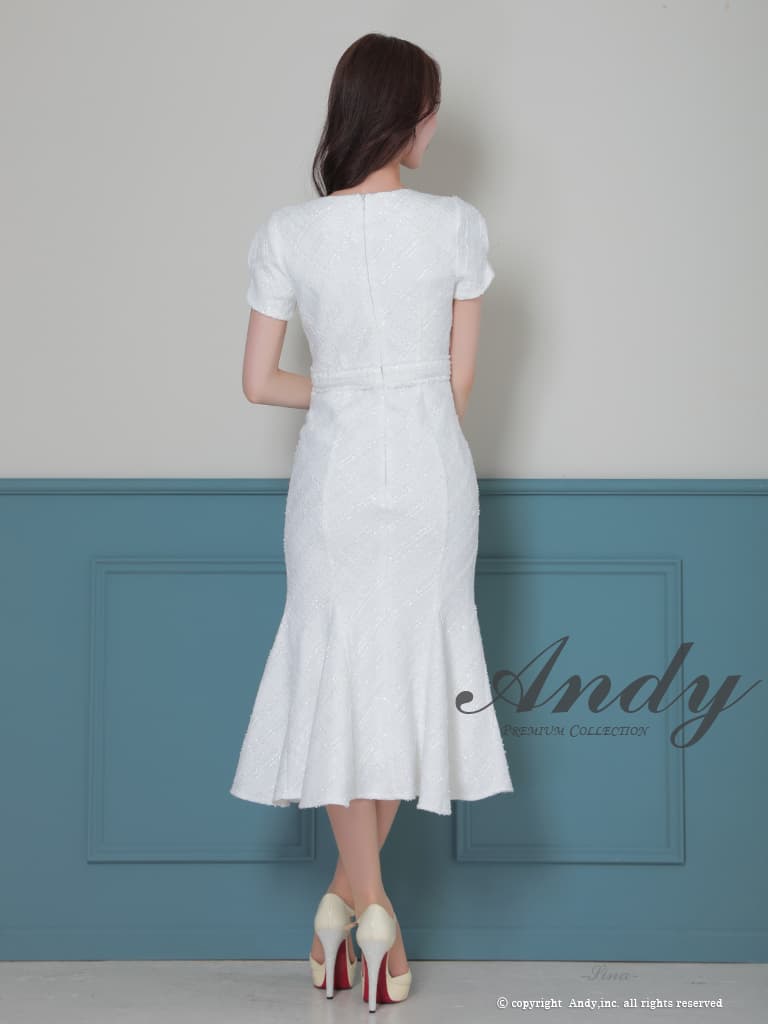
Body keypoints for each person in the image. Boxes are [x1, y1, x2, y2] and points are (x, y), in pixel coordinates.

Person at [229, 32, 514, 1011]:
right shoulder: (457, 225)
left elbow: (260, 382)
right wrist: (401, 402)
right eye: (431, 110)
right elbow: (458, 386)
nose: (435, 126)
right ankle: (371, 904)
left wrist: (348, 389)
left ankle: (359, 901)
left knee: (342, 678)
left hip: (334, 484)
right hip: (432, 479)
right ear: (409, 116)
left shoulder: (286, 232)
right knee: (410, 675)